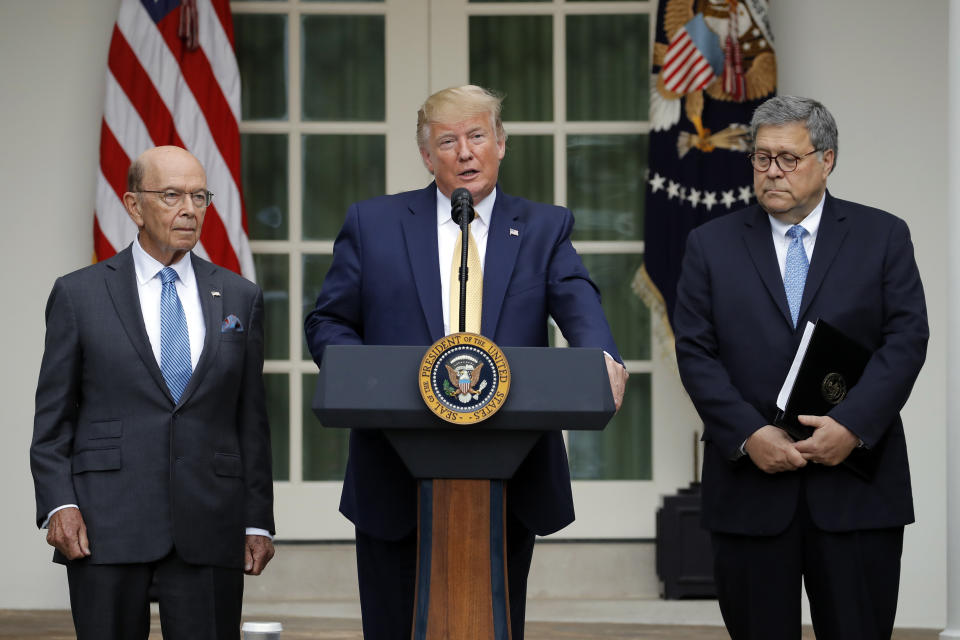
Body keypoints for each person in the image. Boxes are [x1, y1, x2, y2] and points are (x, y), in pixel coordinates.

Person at [304, 85, 628, 640]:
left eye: (477, 136)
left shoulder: (544, 229)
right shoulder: (374, 224)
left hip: (508, 469)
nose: (465, 152)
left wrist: (601, 357)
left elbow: (578, 300)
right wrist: (369, 381)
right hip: (393, 469)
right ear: (428, 157)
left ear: (501, 144)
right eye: (447, 141)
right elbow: (328, 321)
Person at [674, 96, 928, 639]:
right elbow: (695, 352)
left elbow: (906, 339)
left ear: (827, 159)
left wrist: (853, 426)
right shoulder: (708, 245)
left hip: (856, 490)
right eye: (761, 159)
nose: (771, 172)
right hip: (750, 492)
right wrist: (748, 434)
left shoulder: (882, 236)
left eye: (788, 159)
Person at [30, 146, 276, 640]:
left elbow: (251, 421)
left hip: (210, 522)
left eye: (199, 196)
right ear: (133, 205)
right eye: (171, 195)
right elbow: (53, 420)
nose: (189, 208)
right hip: (105, 524)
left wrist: (258, 520)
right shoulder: (79, 294)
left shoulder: (239, 296)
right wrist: (59, 504)